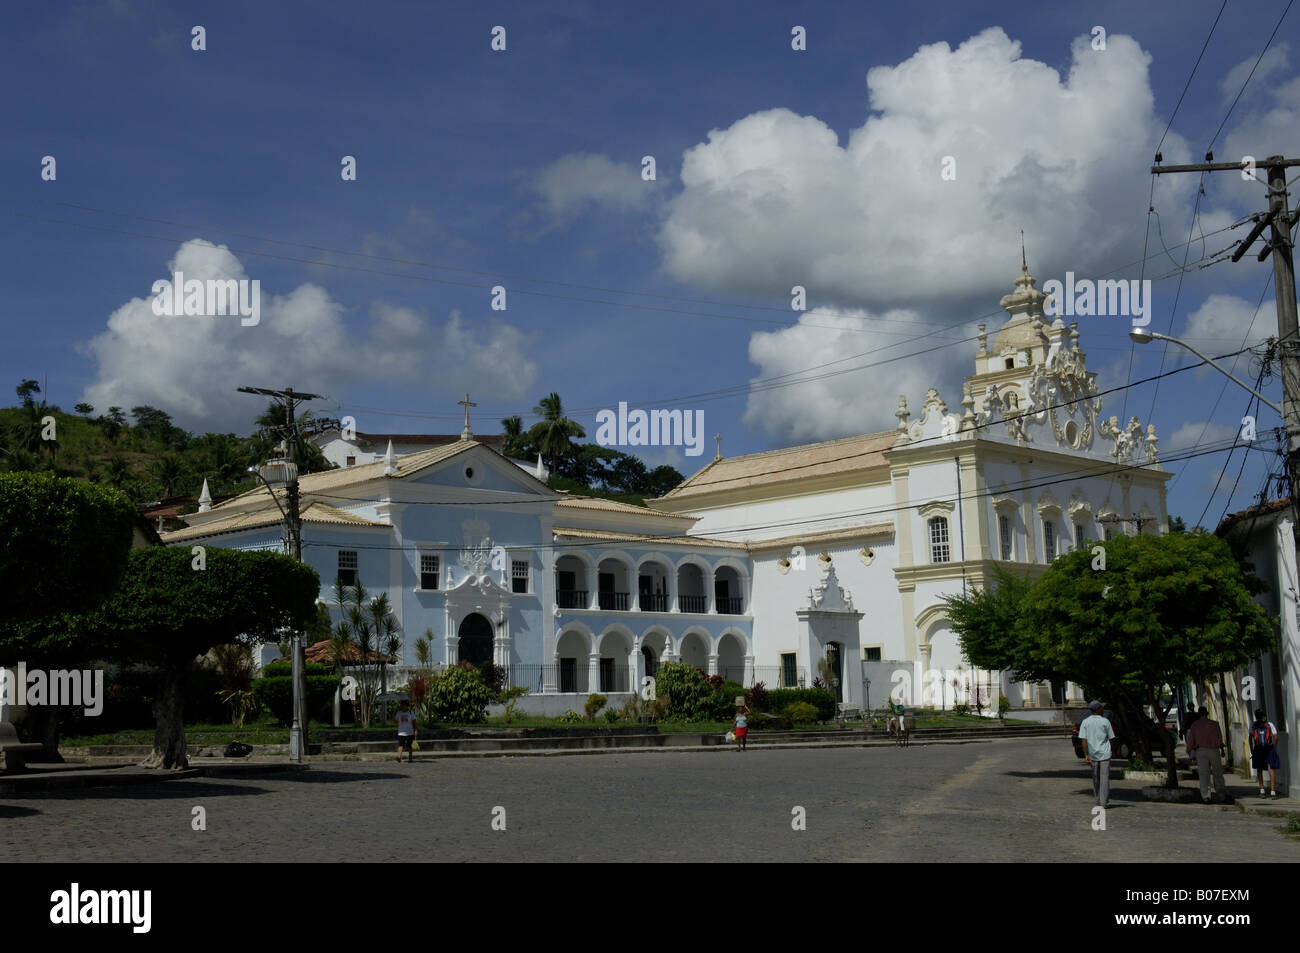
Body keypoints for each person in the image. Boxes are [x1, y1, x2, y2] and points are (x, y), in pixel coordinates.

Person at [1185, 706, 1227, 803]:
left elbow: (1191, 740)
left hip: (1201, 750)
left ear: (1199, 714)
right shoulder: (1215, 724)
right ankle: (1221, 794)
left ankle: (1206, 796)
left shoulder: (1195, 725)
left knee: (1204, 774)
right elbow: (1219, 739)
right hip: (1214, 750)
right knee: (1217, 773)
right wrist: (1222, 750)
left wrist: (1190, 751)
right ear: (1207, 713)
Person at [1078, 701, 1116, 808]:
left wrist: (1086, 754)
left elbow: (1083, 740)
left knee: (1095, 777)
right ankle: (1104, 801)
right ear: (1098, 709)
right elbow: (1111, 738)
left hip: (1093, 754)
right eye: (1101, 708)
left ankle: (1098, 799)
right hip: (1105, 754)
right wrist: (1113, 751)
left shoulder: (1085, 722)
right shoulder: (1105, 721)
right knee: (1104, 778)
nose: (1103, 710)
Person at [1249, 708, 1281, 799]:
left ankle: (1262, 791)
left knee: (1259, 770)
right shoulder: (1270, 724)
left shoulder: (1253, 725)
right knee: (1271, 769)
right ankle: (1273, 792)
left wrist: (1252, 750)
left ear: (1256, 716)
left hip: (1258, 749)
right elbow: (1276, 737)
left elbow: (1250, 738)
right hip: (1269, 749)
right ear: (1264, 715)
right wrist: (1273, 747)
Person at [395, 699, 418, 763]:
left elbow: (414, 722)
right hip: (401, 732)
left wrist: (415, 730)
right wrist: (394, 716)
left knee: (409, 746)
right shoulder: (399, 713)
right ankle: (399, 757)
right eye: (401, 705)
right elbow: (395, 721)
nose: (402, 706)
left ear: (406, 706)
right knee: (400, 745)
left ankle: (410, 757)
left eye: (404, 705)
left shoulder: (411, 712)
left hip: (409, 732)